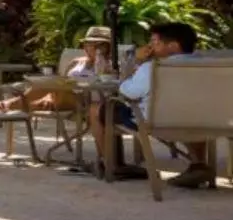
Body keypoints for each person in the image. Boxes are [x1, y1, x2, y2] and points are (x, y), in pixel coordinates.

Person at [89, 20, 211, 187]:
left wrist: (134, 63)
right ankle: (198, 164)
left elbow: (127, 92)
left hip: (154, 121)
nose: (150, 46)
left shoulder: (152, 68)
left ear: (173, 46)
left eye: (155, 42)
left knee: (96, 109)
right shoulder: (209, 66)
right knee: (190, 112)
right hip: (203, 121)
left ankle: (110, 164)